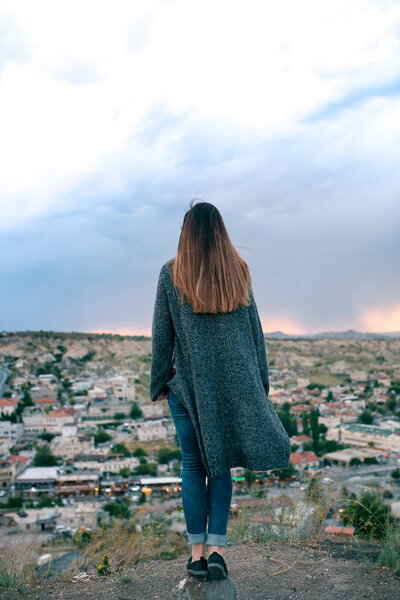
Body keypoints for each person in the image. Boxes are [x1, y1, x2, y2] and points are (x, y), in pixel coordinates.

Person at [150, 200, 290, 580]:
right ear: (221, 232)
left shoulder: (171, 273)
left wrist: (159, 381)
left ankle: (196, 554)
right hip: (232, 389)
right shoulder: (239, 272)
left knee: (194, 465)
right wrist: (259, 384)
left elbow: (163, 336)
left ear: (187, 233)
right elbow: (255, 334)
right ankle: (217, 552)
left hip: (189, 389)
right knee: (221, 465)